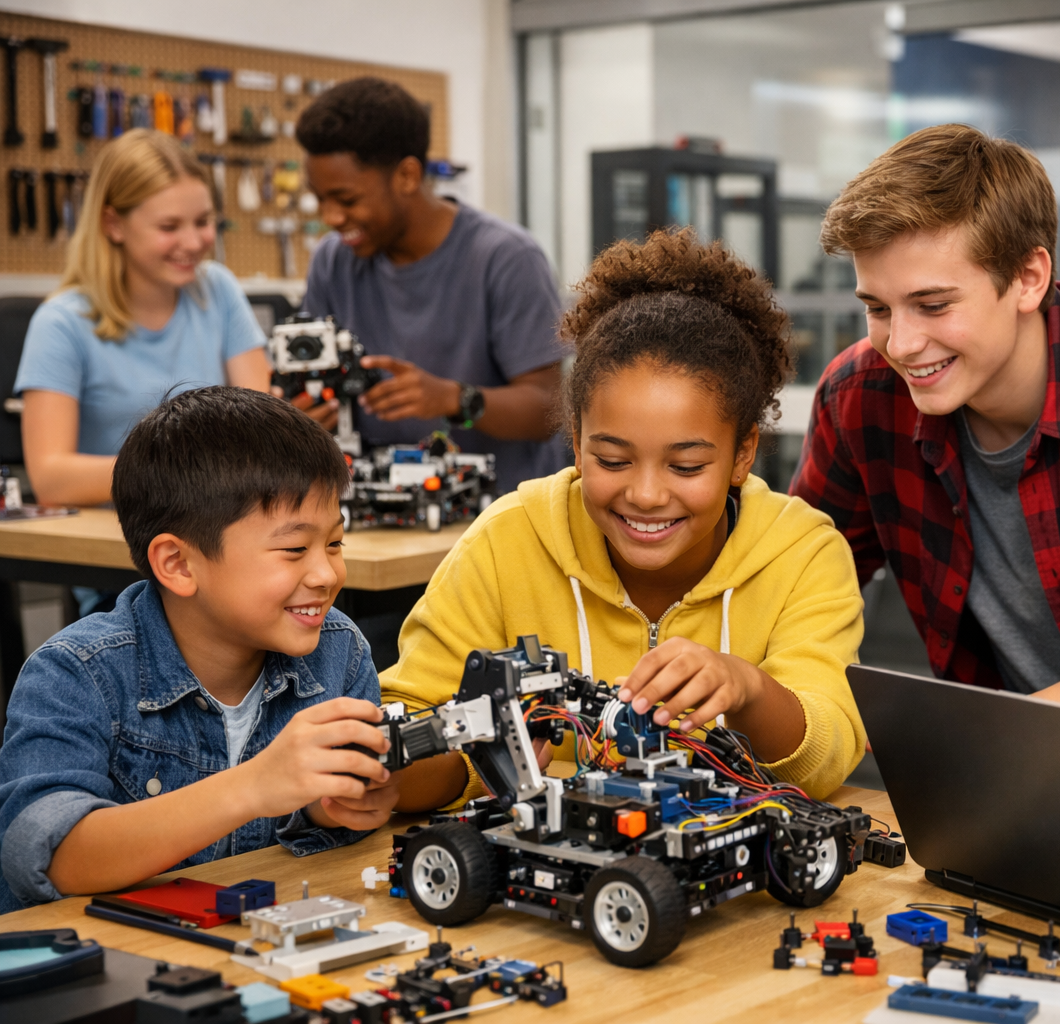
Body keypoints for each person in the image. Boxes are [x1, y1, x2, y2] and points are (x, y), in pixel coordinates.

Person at [380, 230, 866, 812]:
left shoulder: (802, 552)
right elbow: (418, 717)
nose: (646, 494)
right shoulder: (506, 540)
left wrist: (748, 690)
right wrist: (389, 778)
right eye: (611, 460)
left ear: (742, 454)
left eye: (686, 465)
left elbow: (830, 747)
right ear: (577, 441)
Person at [790, 124, 1060, 712]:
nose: (900, 344)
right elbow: (801, 589)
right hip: (1007, 748)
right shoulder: (860, 396)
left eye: (933, 305)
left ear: (1027, 278)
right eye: (876, 308)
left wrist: (997, 747)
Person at [0, 388, 400, 912]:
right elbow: (53, 858)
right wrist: (254, 786)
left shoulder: (338, 650)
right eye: (294, 549)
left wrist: (335, 807)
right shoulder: (77, 674)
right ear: (179, 565)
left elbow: (324, 829)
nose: (326, 574)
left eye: (335, 543)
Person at [296, 77, 566, 494]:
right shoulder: (332, 261)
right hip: (376, 512)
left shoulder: (505, 258)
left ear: (406, 176)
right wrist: (304, 415)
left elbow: (550, 408)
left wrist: (454, 399)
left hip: (495, 517)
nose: (330, 217)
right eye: (320, 199)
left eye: (346, 200)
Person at [15, 129, 269, 510]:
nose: (194, 242)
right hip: (109, 542)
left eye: (203, 221)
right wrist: (184, 470)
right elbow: (51, 479)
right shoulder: (61, 323)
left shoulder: (218, 288)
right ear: (113, 224)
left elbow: (259, 420)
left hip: (213, 530)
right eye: (169, 227)